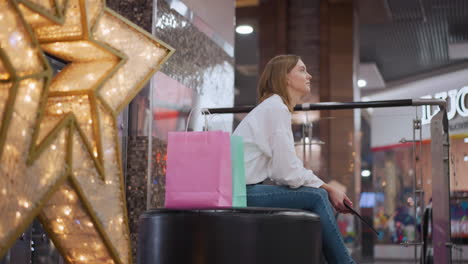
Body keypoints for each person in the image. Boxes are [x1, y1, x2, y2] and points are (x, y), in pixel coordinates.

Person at [233, 54, 356, 264]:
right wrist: (328, 188)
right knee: (316, 197)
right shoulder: (276, 108)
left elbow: (283, 171)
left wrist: (325, 187)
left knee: (315, 196)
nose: (308, 75)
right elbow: (286, 173)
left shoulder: (273, 107)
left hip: (243, 190)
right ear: (285, 77)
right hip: (240, 193)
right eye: (301, 70)